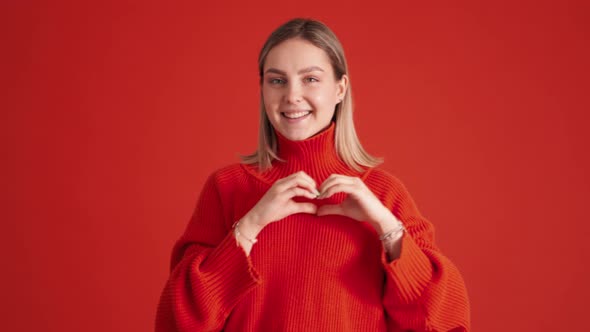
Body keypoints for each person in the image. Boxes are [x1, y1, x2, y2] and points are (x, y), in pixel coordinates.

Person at [155, 18, 470, 331]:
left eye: (310, 79)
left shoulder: (383, 193)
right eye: (277, 80)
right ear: (262, 89)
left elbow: (442, 321)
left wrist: (388, 228)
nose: (292, 96)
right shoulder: (227, 188)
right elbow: (178, 320)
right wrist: (250, 226)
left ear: (340, 89)